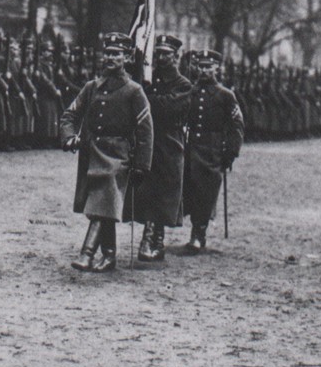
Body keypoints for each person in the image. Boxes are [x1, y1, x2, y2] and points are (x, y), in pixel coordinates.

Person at [60, 33, 153, 272]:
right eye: (109, 52)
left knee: (104, 198)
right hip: (91, 154)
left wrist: (143, 164)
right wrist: (69, 137)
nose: (111, 57)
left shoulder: (134, 91)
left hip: (118, 155)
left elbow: (145, 130)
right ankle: (109, 255)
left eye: (117, 53)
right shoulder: (91, 87)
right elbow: (69, 115)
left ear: (127, 57)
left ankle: (87, 253)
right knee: (105, 203)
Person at [124, 34, 192, 261]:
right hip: (149, 142)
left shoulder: (183, 84)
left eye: (167, 54)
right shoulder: (148, 80)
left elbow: (168, 108)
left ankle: (155, 239)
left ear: (176, 57)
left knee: (164, 191)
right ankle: (150, 239)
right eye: (159, 53)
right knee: (148, 189)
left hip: (169, 143)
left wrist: (145, 96)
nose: (162, 58)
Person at [182, 49, 245, 253]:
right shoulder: (190, 91)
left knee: (206, 192)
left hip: (213, 150)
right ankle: (195, 230)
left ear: (217, 68)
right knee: (191, 189)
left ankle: (199, 233)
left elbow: (237, 126)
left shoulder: (225, 95)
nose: (204, 70)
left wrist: (230, 152)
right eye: (201, 66)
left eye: (208, 67)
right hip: (191, 148)